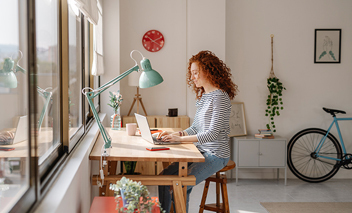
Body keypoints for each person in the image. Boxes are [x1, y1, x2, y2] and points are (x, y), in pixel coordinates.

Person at [157, 50, 238, 212]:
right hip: (200, 151)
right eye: (191, 73)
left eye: (195, 73)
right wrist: (175, 135)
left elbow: (212, 134)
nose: (192, 77)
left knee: (181, 185)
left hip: (216, 155)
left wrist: (179, 140)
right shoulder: (204, 96)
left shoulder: (220, 98)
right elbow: (195, 128)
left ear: (208, 72)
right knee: (164, 178)